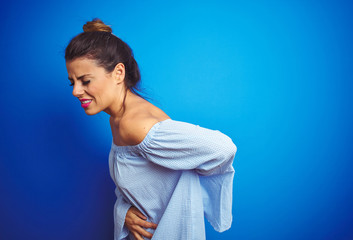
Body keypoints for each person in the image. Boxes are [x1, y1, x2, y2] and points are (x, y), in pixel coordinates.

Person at [65, 18, 236, 240]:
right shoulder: (118, 117)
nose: (76, 91)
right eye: (72, 82)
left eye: (85, 81)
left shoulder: (137, 124)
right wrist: (124, 213)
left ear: (118, 73)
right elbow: (139, 186)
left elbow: (222, 148)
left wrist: (193, 179)